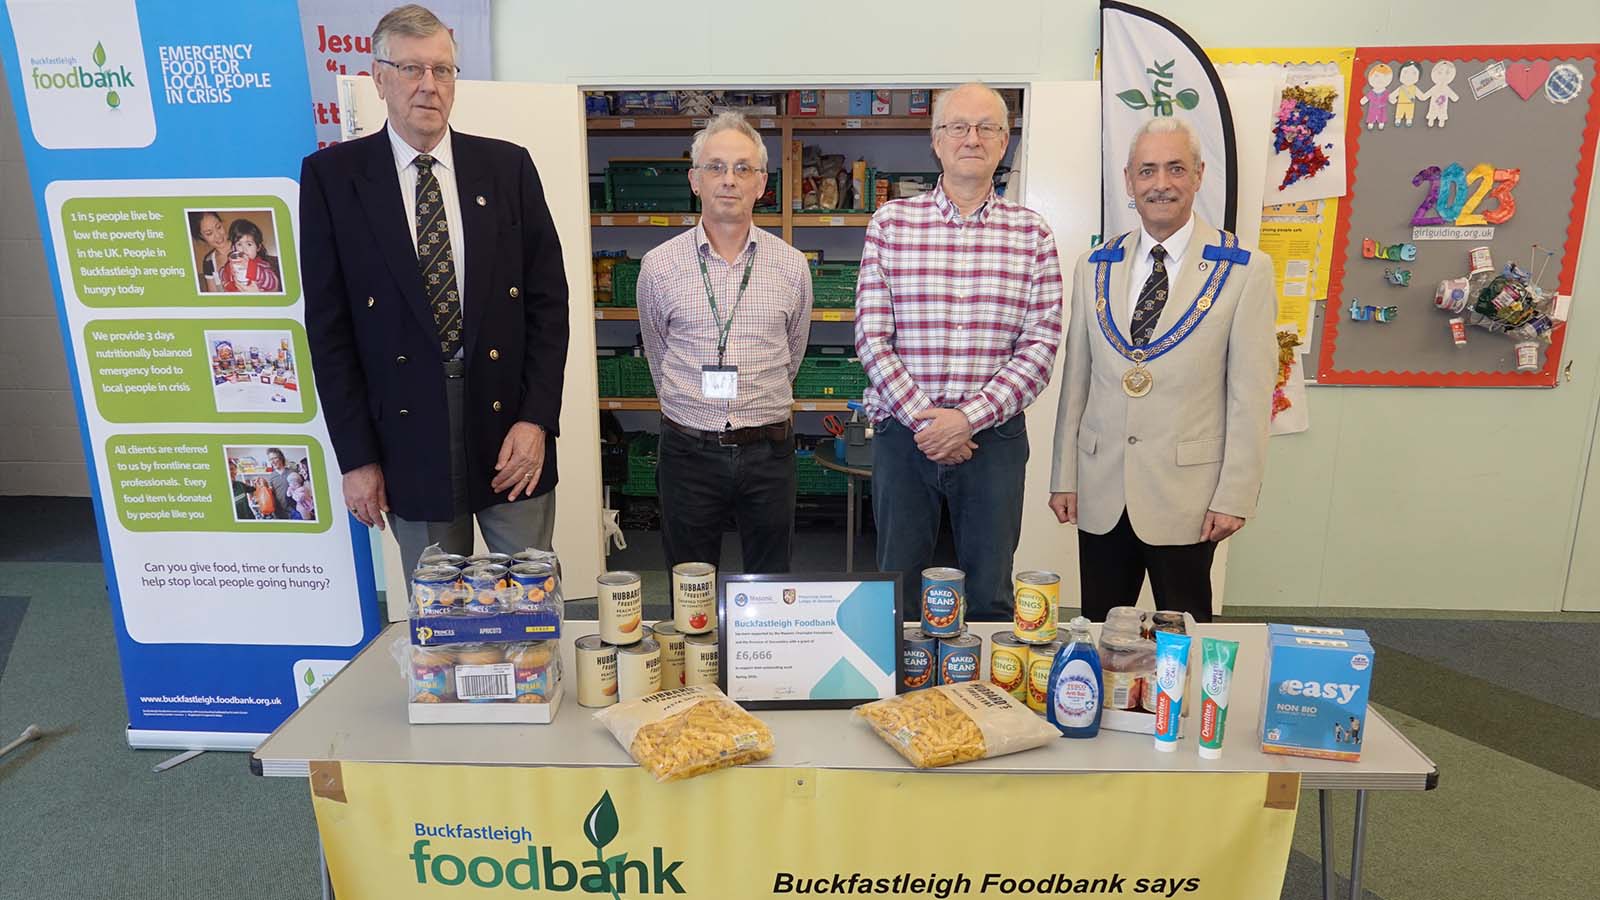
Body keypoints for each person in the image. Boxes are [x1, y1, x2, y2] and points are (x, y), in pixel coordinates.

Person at [300, 4, 569, 574]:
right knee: (441, 611)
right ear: (378, 77)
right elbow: (329, 332)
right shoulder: (333, 179)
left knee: (527, 601)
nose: (430, 86)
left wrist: (537, 419)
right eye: (412, 69)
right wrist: (357, 458)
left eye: (443, 70)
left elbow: (549, 305)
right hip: (405, 431)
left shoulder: (507, 168)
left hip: (508, 428)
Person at [1048, 116, 1277, 624]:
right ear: (1129, 180)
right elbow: (1076, 383)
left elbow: (1250, 396)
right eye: (1147, 171)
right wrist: (1064, 475)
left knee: (1185, 631)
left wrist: (1235, 495)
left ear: (1198, 175)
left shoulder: (1243, 270)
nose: (1161, 184)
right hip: (1101, 487)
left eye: (1176, 169)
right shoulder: (1095, 266)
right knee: (1101, 632)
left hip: (1189, 497)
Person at [855, 83, 1063, 621]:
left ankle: (987, 704)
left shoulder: (1033, 234)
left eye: (987, 128)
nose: (972, 138)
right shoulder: (891, 225)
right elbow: (872, 338)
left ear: (1004, 142)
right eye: (958, 127)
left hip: (992, 442)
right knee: (896, 589)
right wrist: (930, 423)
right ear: (936, 140)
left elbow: (1039, 348)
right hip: (906, 439)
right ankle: (898, 703)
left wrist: (965, 420)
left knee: (991, 592)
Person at [637, 112, 813, 573]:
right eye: (715, 167)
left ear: (761, 183)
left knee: (771, 584)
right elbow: (658, 354)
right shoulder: (659, 266)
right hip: (687, 450)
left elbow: (793, 352)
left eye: (742, 168)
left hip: (769, 452)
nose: (728, 180)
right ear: (695, 180)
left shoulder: (792, 267)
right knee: (688, 588)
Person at [222, 219, 282, 293]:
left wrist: (250, 266)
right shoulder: (232, 265)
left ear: (258, 247)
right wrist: (228, 271)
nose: (244, 249)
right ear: (234, 248)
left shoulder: (263, 265)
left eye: (249, 244)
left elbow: (272, 283)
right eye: (239, 244)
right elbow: (224, 276)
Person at [192, 211, 232, 292]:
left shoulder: (245, 246)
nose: (218, 235)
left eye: (218, 227)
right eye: (209, 233)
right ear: (201, 236)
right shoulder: (208, 261)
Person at [263, 447, 295, 520]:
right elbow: (271, 495)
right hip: (279, 513)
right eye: (270, 459)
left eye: (274, 458)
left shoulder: (292, 472)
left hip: (293, 511)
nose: (273, 462)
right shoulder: (271, 476)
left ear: (281, 458)